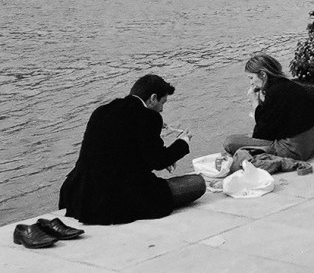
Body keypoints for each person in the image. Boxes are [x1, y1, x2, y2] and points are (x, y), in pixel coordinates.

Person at [59, 74, 205, 225]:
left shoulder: (101, 111)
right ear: (153, 98)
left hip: (79, 196)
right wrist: (183, 141)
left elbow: (123, 154)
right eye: (163, 103)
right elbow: (158, 161)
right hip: (118, 199)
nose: (161, 109)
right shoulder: (149, 117)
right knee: (198, 183)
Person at [223, 53, 314, 161]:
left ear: (263, 75)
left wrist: (254, 101)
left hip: (291, 150)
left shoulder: (275, 93)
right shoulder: (290, 86)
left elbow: (262, 133)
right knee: (244, 138)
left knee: (230, 142)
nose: (251, 83)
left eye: (251, 78)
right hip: (308, 146)